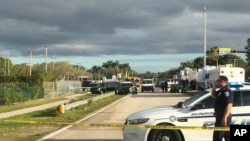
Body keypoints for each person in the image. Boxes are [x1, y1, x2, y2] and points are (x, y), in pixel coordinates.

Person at [211, 76, 233, 141]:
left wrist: (225, 117)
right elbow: (213, 95)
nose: (216, 81)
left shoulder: (227, 91)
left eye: (218, 80)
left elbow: (229, 104)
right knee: (227, 136)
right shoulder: (221, 91)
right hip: (220, 116)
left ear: (222, 81)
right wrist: (214, 86)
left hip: (222, 116)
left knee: (217, 137)